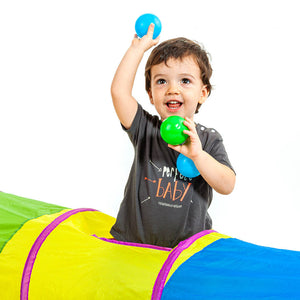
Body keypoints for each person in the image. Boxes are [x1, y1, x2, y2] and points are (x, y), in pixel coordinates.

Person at [110, 24, 236, 248]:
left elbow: (227, 184)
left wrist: (198, 156)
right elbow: (119, 92)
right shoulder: (145, 129)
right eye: (161, 81)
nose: (172, 89)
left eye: (185, 81)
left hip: (184, 254)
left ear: (203, 93)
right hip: (133, 246)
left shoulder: (208, 139)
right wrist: (138, 49)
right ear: (150, 94)